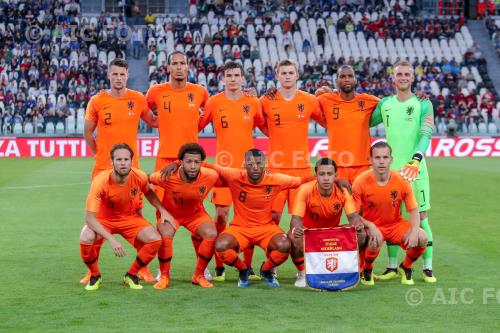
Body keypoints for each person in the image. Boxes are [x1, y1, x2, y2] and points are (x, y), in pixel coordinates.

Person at [81, 58, 157, 284]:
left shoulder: (137, 98)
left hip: (132, 171)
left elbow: (153, 121)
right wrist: (100, 155)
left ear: (127, 75)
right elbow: (87, 132)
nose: (118, 78)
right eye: (114, 74)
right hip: (103, 169)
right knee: (99, 220)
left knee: (138, 216)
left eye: (122, 74)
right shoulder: (97, 100)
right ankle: (91, 270)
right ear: (109, 75)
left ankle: (142, 268)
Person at [198, 61, 266, 281]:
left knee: (248, 219)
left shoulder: (252, 101)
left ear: (242, 78)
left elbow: (265, 125)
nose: (233, 79)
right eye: (229, 75)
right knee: (221, 217)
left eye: (237, 75)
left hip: (248, 171)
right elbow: (196, 126)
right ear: (223, 78)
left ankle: (248, 266)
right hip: (223, 170)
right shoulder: (214, 102)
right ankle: (220, 265)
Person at [370, 60, 436, 283]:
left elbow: (427, 133)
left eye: (407, 74)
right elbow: (364, 119)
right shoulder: (385, 104)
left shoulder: (423, 103)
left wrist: (416, 159)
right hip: (390, 172)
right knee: (391, 218)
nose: (404, 77)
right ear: (393, 78)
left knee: (422, 217)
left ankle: (427, 267)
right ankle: (391, 266)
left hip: (416, 170)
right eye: (399, 74)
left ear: (413, 77)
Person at [146, 51, 211, 278]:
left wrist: (194, 129)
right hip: (164, 160)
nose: (179, 67)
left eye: (183, 63)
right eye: (175, 63)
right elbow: (145, 112)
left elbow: (208, 114)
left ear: (188, 66)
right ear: (168, 68)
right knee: (162, 215)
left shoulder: (200, 92)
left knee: (196, 210)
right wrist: (157, 122)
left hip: (192, 161)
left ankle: (203, 267)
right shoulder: (156, 92)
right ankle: (162, 269)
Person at [211, 149, 315, 287]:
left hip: (266, 228)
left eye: (259, 163)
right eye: (251, 163)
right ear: (244, 164)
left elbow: (301, 181)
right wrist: (177, 164)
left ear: (264, 164)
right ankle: (243, 269)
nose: (255, 167)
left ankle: (265, 270)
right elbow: (210, 166)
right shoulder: (235, 175)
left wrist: (333, 179)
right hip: (240, 229)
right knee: (221, 246)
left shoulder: (275, 179)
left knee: (284, 246)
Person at [79, 143, 170, 291]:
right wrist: (111, 239)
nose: (123, 163)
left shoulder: (139, 176)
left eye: (126, 159)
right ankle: (95, 275)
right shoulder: (100, 181)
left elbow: (148, 192)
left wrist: (162, 209)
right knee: (86, 236)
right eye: (119, 159)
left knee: (155, 239)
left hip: (129, 218)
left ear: (132, 161)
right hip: (104, 219)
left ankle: (131, 274)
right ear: (112, 162)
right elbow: (90, 219)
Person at [289, 157, 380, 287]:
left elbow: (353, 217)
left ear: (335, 175)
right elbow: (295, 219)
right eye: (322, 174)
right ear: (316, 175)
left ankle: (349, 269)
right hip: (309, 234)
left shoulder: (342, 191)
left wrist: (358, 226)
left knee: (362, 234)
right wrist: (297, 229)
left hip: (332, 234)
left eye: (330, 174)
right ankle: (302, 272)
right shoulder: (305, 190)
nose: (326, 178)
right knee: (292, 236)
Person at [352, 141, 428, 285]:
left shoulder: (401, 180)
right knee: (375, 240)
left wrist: (414, 231)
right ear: (370, 160)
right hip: (373, 226)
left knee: (422, 237)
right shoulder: (360, 181)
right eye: (377, 157)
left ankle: (406, 267)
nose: (381, 162)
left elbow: (413, 210)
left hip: (395, 225)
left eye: (385, 157)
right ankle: (366, 269)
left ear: (391, 160)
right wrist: (371, 226)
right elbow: (353, 215)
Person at [148, 143, 221, 289]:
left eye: (197, 162)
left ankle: (198, 275)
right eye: (189, 162)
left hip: (196, 215)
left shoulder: (210, 175)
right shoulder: (167, 176)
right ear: (181, 162)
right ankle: (164, 276)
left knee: (211, 233)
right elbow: (144, 181)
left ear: (202, 162)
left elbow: (231, 180)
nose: (193, 166)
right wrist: (161, 209)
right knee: (165, 233)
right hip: (171, 215)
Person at [317, 65, 380, 183]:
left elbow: (390, 105)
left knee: (360, 201)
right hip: (337, 165)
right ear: (336, 81)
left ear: (355, 79)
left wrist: (417, 100)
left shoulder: (368, 100)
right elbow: (306, 104)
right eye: (343, 76)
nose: (347, 79)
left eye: (350, 76)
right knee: (339, 201)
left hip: (363, 165)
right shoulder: (325, 99)